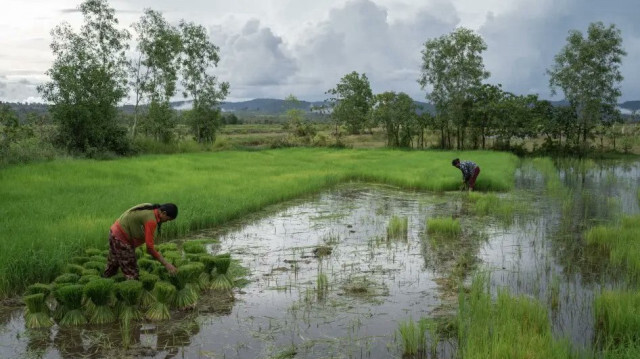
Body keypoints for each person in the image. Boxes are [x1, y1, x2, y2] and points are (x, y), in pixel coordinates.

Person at [104, 203, 178, 280]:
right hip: (122, 239)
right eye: (168, 219)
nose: (167, 221)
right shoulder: (151, 220)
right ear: (164, 213)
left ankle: (105, 281)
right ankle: (132, 288)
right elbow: (149, 248)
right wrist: (166, 264)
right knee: (131, 272)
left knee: (113, 263)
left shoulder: (150, 207)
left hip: (114, 232)